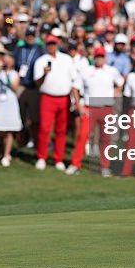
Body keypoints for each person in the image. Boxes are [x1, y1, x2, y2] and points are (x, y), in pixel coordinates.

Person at [71, 46, 123, 176]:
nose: (99, 59)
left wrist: (115, 93)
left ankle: (105, 166)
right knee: (83, 136)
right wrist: (80, 106)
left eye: (101, 57)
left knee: (106, 139)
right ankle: (75, 164)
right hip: (90, 107)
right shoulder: (86, 71)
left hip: (106, 107)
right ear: (94, 57)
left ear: (105, 58)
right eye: (97, 57)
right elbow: (75, 88)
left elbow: (121, 83)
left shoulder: (112, 71)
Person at [33, 34, 80, 171]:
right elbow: (37, 82)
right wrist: (45, 73)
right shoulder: (41, 61)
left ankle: (58, 158)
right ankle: (42, 157)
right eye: (49, 44)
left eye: (53, 43)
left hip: (64, 98)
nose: (51, 46)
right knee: (45, 128)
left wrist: (74, 100)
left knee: (61, 130)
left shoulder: (66, 59)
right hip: (48, 97)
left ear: (57, 44)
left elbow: (73, 80)